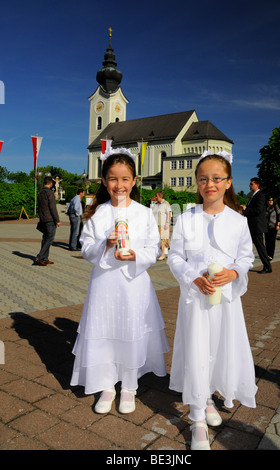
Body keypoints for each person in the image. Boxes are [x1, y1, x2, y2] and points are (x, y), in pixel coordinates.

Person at [167, 150, 257, 450]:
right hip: (195, 299)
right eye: (203, 179)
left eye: (217, 178)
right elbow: (176, 256)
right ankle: (197, 417)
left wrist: (234, 272)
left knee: (219, 348)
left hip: (227, 302)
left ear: (228, 182)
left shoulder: (238, 221)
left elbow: (246, 257)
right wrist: (192, 275)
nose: (210, 184)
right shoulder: (186, 218)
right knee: (196, 348)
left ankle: (207, 397)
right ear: (197, 183)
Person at [70, 148, 169, 415]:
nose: (119, 185)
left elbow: (154, 248)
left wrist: (137, 254)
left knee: (131, 328)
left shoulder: (144, 213)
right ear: (104, 181)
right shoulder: (97, 213)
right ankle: (106, 385)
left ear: (134, 181)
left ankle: (129, 385)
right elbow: (86, 248)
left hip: (134, 283)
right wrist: (106, 243)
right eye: (113, 179)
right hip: (105, 282)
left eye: (125, 179)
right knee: (105, 327)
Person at [240, 178, 272, 274]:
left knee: (260, 247)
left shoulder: (260, 195)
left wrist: (245, 210)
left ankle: (267, 267)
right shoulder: (254, 196)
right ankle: (243, 263)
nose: (249, 185)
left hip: (256, 226)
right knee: (246, 244)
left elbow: (258, 210)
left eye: (251, 184)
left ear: (257, 185)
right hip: (252, 226)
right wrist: (246, 208)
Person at [35, 176, 61, 266]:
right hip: (50, 219)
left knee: (45, 238)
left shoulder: (40, 193)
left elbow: (40, 207)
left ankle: (45, 259)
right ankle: (40, 256)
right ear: (50, 183)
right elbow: (53, 208)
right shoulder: (49, 193)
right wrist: (57, 220)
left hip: (43, 219)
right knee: (50, 239)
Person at [152, 191, 172, 260]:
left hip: (163, 224)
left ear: (160, 196)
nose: (155, 197)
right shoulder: (155, 204)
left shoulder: (166, 203)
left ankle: (163, 255)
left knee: (163, 240)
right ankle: (163, 253)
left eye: (156, 196)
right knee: (159, 240)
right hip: (156, 225)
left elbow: (169, 213)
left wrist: (167, 223)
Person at [265, 196, 280, 260]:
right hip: (266, 226)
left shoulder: (275, 207)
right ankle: (267, 254)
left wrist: (278, 225)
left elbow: (279, 216)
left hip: (273, 226)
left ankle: (271, 255)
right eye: (269, 200)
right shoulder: (265, 208)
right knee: (267, 241)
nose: (270, 201)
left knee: (272, 241)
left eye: (271, 200)